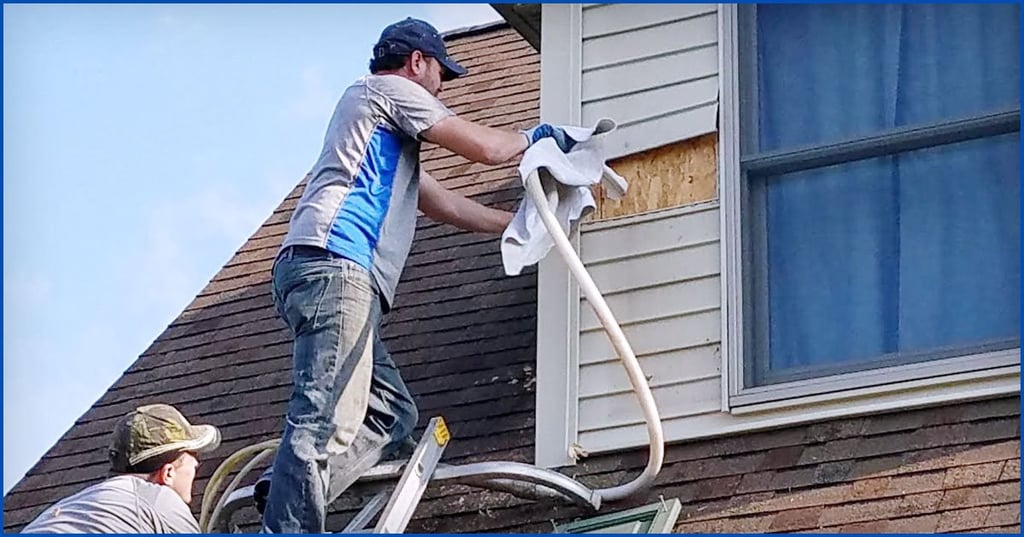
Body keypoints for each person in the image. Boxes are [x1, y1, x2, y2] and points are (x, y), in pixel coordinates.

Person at [255, 16, 577, 534]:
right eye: (440, 74)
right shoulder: (385, 90)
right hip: (336, 266)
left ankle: (288, 488)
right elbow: (487, 150)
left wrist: (520, 226)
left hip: (328, 275)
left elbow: (442, 203)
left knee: (391, 416)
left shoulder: (384, 133)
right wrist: (536, 137)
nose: (441, 87)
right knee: (323, 419)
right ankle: (287, 528)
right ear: (417, 62)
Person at [21, 403, 221, 534]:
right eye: (194, 464)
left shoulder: (75, 505)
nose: (196, 469)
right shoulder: (158, 500)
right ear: (168, 473)